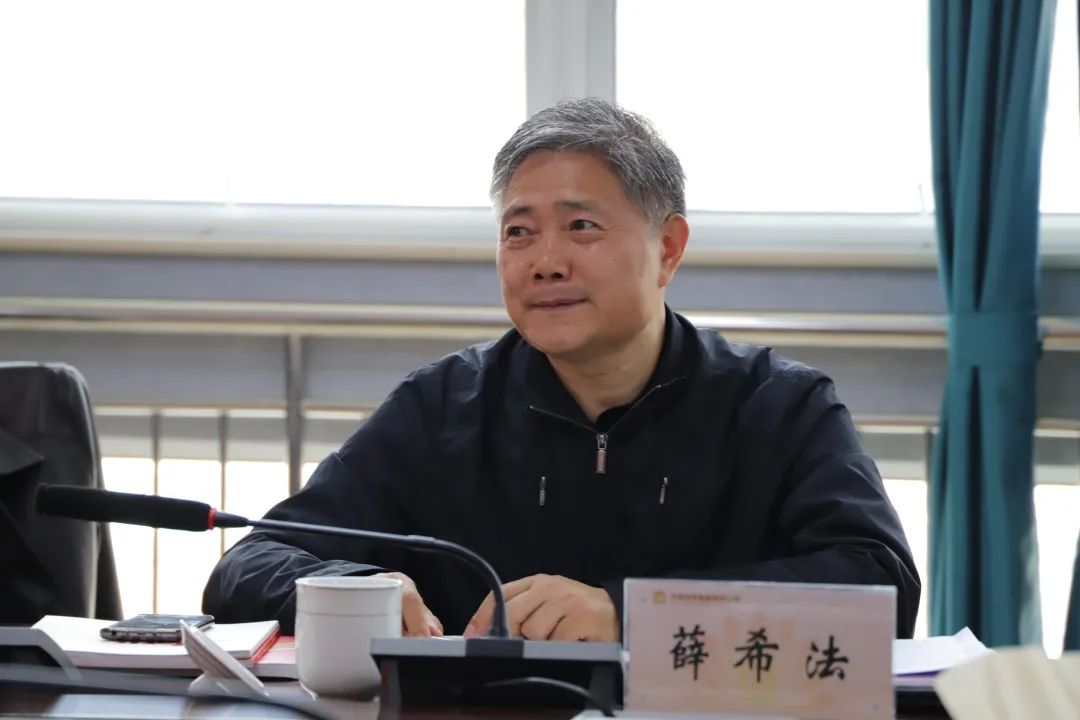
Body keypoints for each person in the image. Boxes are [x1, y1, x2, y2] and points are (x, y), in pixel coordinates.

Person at [203, 98, 920, 640]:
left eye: (581, 226)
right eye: (519, 232)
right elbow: (250, 564)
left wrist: (631, 613)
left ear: (668, 248)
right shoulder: (442, 407)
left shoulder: (778, 406)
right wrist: (358, 589)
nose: (545, 262)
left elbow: (880, 587)